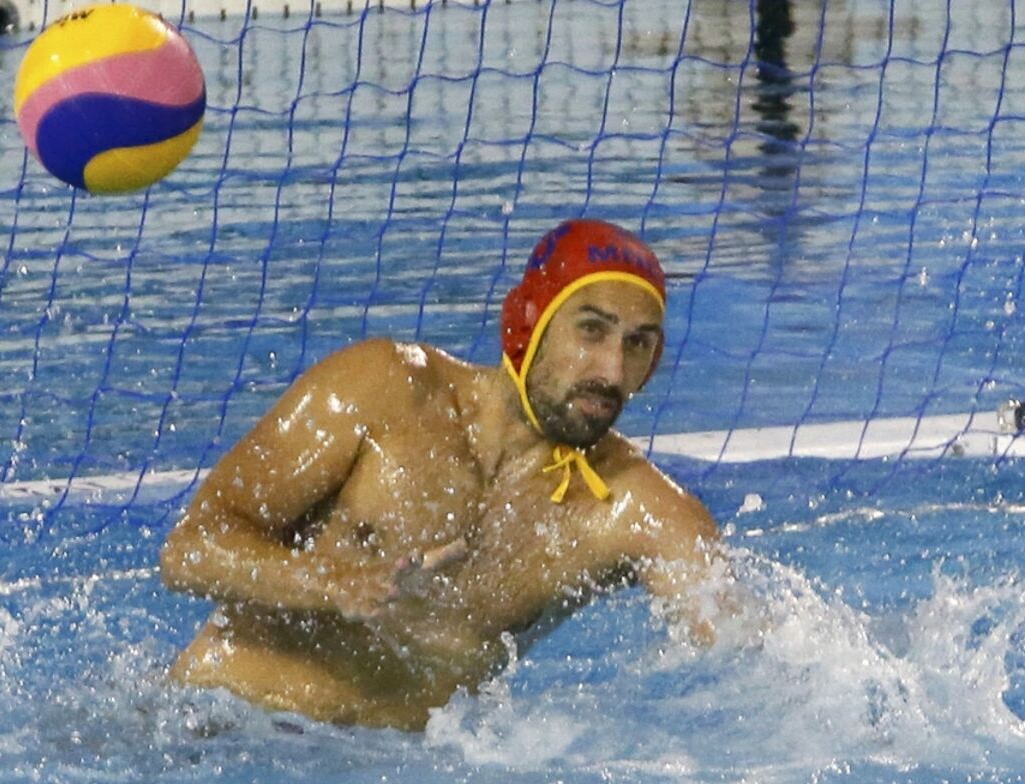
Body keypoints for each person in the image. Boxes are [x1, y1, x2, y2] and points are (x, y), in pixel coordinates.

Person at [160, 218, 728, 730]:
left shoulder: (631, 508)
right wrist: (331, 582)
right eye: (591, 330)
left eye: (638, 344)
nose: (611, 371)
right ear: (527, 322)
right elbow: (189, 549)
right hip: (208, 730)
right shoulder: (384, 391)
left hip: (378, 766)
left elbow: (745, 658)